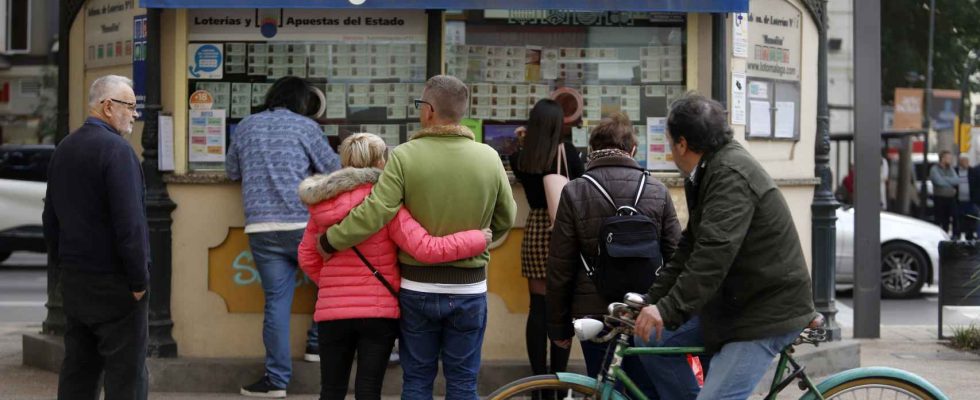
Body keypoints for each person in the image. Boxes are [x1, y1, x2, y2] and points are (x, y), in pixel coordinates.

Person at [316, 75, 517, 400]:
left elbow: (377, 210)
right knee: (464, 383)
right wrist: (478, 240)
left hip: (418, 288)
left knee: (418, 381)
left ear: (429, 111)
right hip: (469, 288)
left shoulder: (404, 156)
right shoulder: (489, 157)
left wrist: (332, 240)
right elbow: (506, 217)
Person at [633, 94, 819, 400]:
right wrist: (651, 301)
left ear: (681, 144)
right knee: (651, 339)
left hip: (763, 313)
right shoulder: (709, 170)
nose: (669, 149)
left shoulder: (729, 175)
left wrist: (666, 308)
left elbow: (711, 257)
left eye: (669, 142)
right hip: (735, 304)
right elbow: (690, 247)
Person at [297, 133, 492, 400]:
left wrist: (335, 288)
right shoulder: (385, 205)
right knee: (369, 389)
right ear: (381, 162)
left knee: (331, 390)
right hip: (379, 315)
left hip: (332, 313)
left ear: (343, 161)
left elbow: (307, 256)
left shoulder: (321, 206)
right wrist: (477, 238)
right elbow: (425, 248)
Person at [546, 113, 694, 399]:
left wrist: (558, 325)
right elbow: (677, 255)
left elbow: (560, 265)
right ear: (633, 150)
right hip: (644, 310)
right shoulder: (656, 189)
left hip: (595, 313)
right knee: (646, 387)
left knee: (605, 387)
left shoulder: (575, 191)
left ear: (591, 150)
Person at [226, 76, 342, 398]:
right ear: (303, 102)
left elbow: (231, 170)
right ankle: (317, 345)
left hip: (261, 228)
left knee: (276, 303)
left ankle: (276, 380)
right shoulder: (306, 128)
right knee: (330, 284)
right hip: (303, 225)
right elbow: (333, 169)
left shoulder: (247, 126)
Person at [44, 75, 149, 399]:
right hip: (116, 283)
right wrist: (138, 282)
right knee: (125, 376)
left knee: (79, 369)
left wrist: (62, 267)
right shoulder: (117, 151)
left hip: (76, 280)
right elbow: (129, 223)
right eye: (130, 107)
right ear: (108, 107)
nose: (134, 114)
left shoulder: (64, 147)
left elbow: (51, 218)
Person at [510, 99, 583, 379]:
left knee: (537, 307)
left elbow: (520, 163)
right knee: (561, 306)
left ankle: (537, 382)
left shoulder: (521, 157)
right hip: (562, 230)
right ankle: (559, 379)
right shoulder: (569, 154)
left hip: (536, 229)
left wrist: (521, 141)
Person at [930, 150, 958, 235]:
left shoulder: (951, 169)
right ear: (942, 158)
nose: (950, 159)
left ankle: (949, 235)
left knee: (951, 217)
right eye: (948, 158)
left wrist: (945, 179)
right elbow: (938, 181)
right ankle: (937, 235)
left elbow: (956, 180)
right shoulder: (934, 169)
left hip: (950, 197)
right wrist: (949, 181)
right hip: (939, 197)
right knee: (939, 218)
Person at [955, 156, 978, 239]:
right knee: (958, 218)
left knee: (970, 218)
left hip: (970, 201)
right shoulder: (955, 171)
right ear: (960, 162)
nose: (965, 163)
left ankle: (970, 235)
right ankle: (957, 234)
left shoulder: (973, 171)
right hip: (958, 200)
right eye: (963, 161)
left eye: (967, 161)